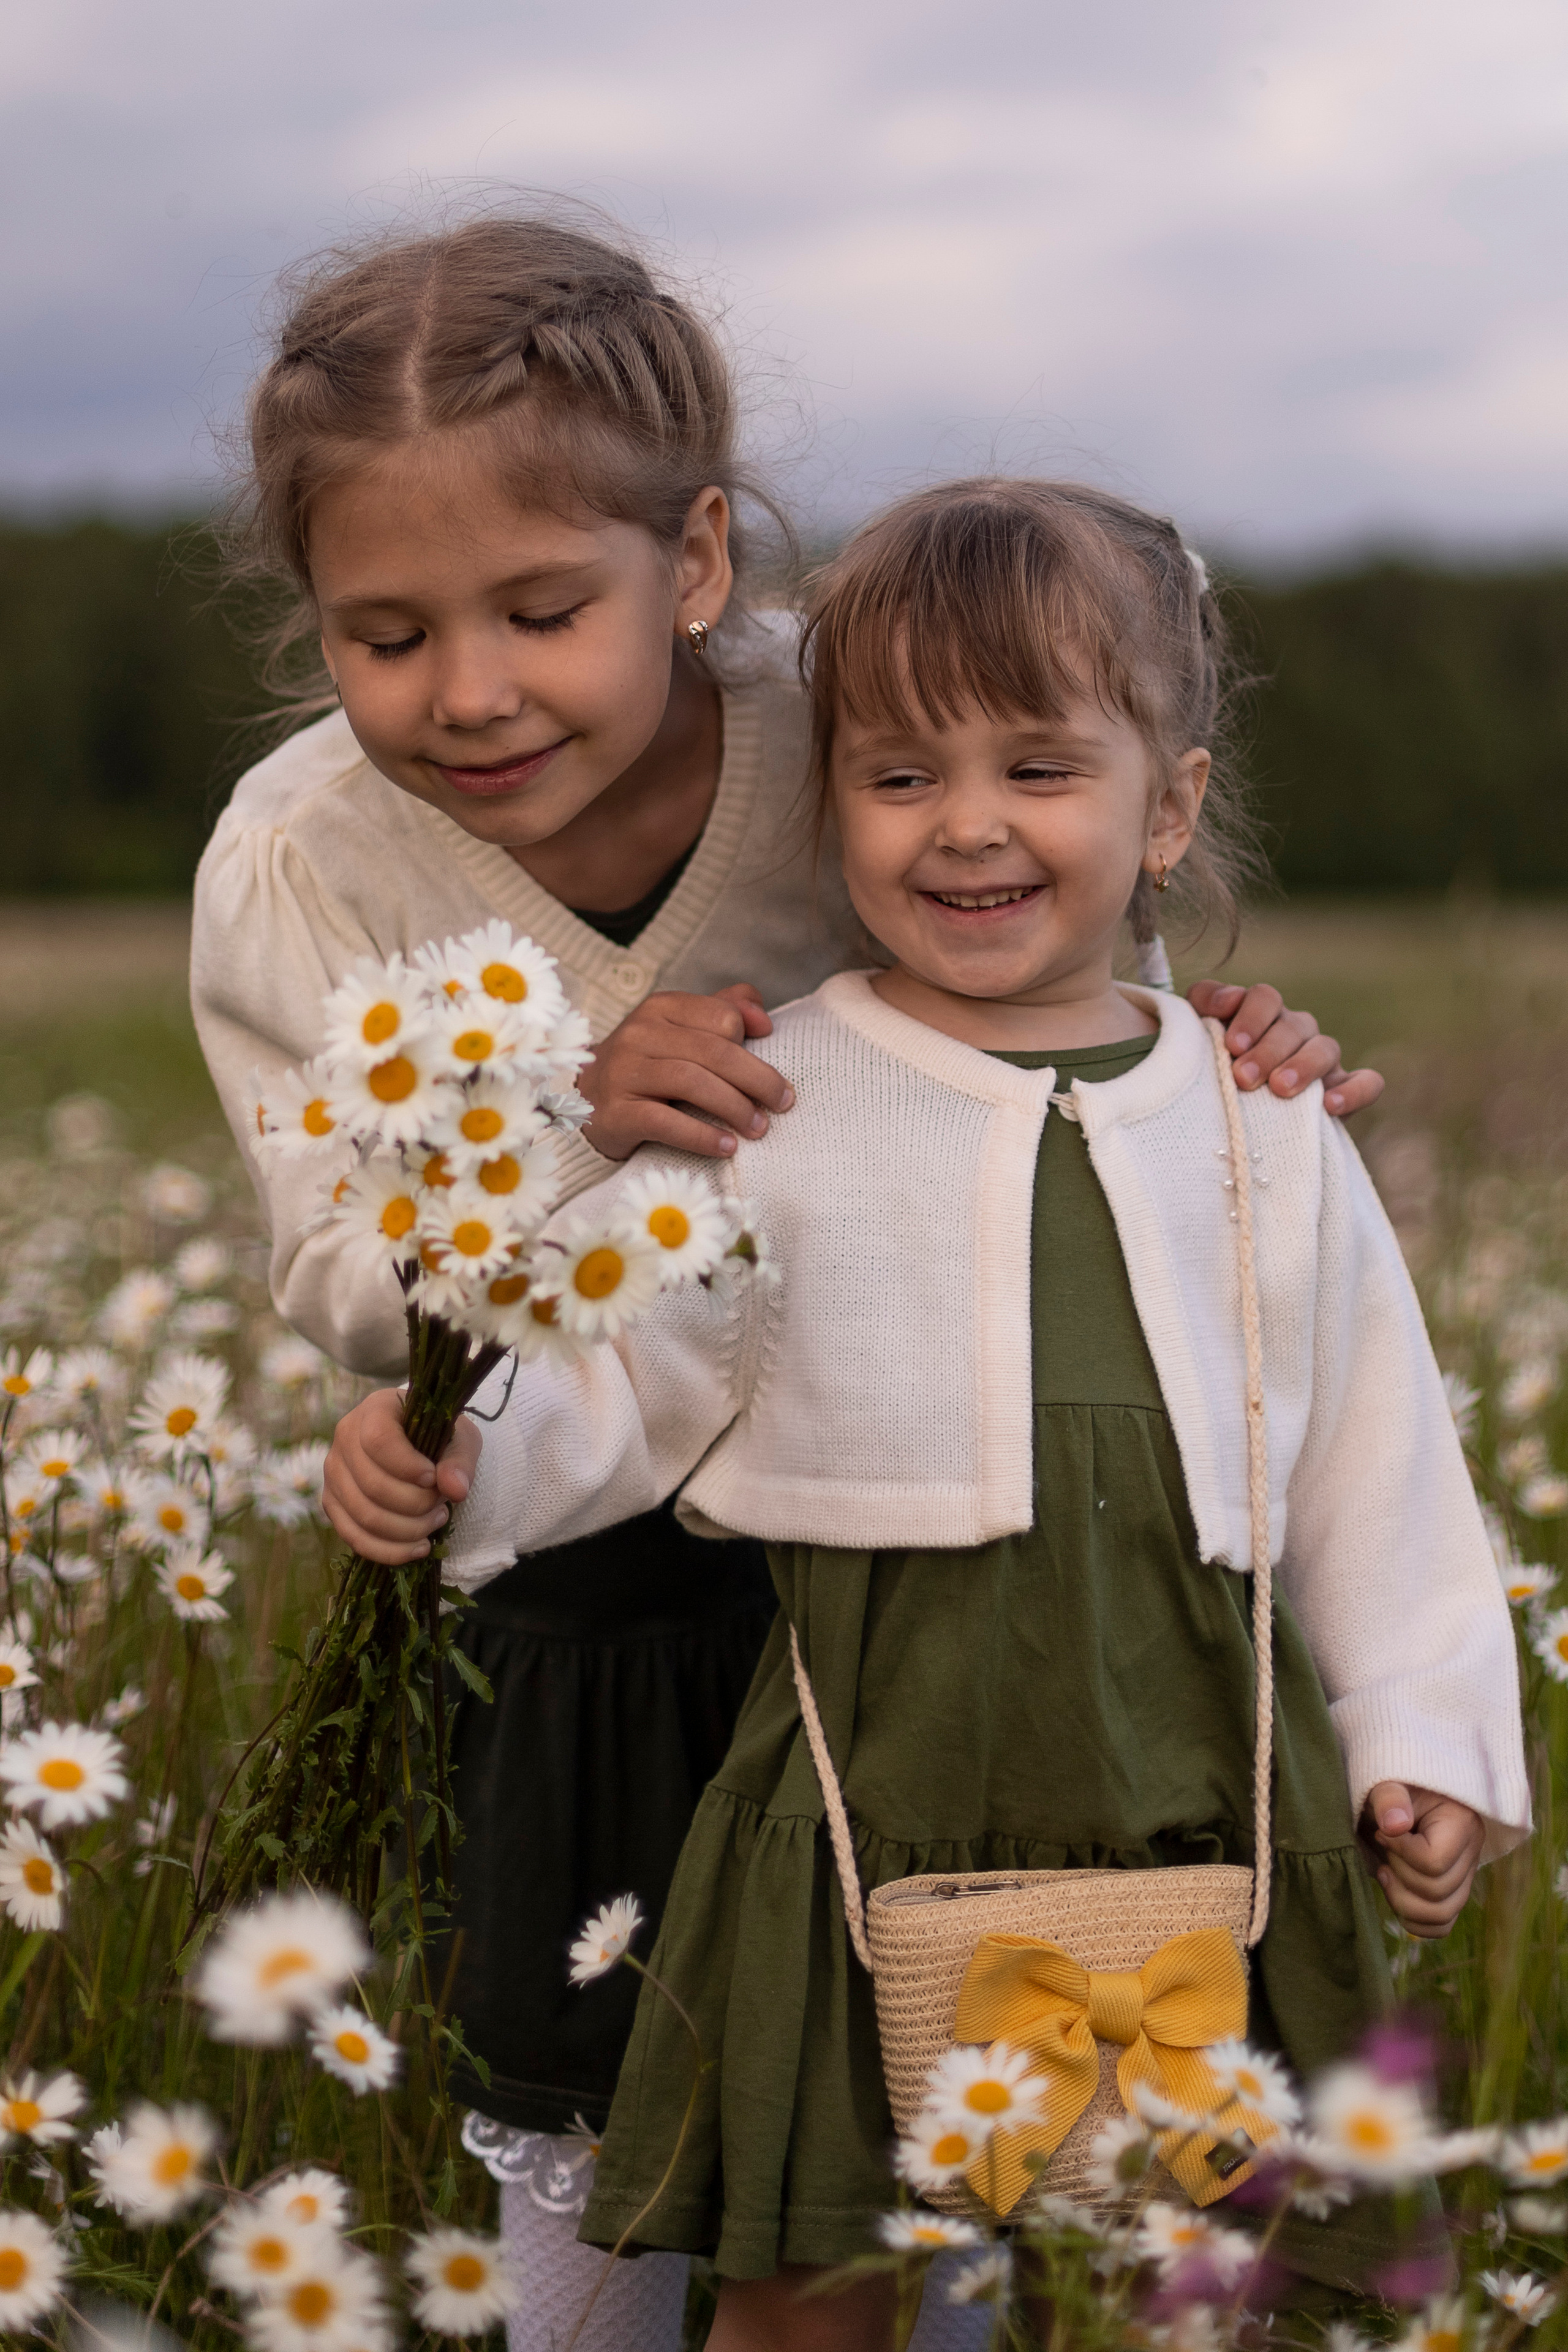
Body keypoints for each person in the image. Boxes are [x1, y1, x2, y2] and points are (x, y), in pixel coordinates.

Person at [193, 211, 1383, 2351]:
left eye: (544, 609)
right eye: (381, 634)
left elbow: (1045, 943)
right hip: (569, 1596)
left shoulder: (850, 722)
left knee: (890, 2142)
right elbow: (354, 1269)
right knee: (586, 2128)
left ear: (705, 561)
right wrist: (566, 1141)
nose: (469, 690)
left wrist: (1229, 1043)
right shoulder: (307, 859)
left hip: (889, 1602)